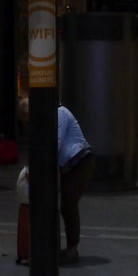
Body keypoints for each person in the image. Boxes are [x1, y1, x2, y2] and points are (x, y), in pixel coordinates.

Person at [57, 104, 94, 264]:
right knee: (66, 205)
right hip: (69, 165)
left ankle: (72, 248)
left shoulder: (60, 113)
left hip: (79, 162)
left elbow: (54, 142)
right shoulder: (55, 114)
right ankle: (71, 246)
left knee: (68, 205)